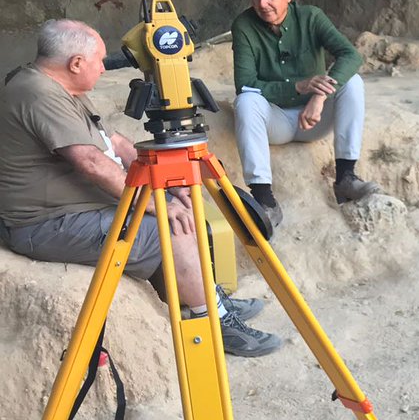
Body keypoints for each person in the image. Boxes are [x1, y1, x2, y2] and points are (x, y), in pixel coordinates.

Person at [0, 20, 282, 358]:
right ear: (75, 63)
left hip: (72, 210)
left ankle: (210, 297)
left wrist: (163, 182)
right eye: (99, 61)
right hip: (44, 223)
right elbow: (90, 162)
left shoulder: (61, 89)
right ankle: (213, 321)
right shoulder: (40, 94)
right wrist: (151, 203)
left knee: (177, 207)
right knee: (169, 226)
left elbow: (112, 142)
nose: (104, 69)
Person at [231, 0, 379, 228]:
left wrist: (319, 96)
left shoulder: (311, 16)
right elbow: (245, 83)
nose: (262, 4)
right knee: (245, 101)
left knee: (353, 82)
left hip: (315, 118)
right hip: (275, 121)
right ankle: (265, 201)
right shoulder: (243, 25)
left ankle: (345, 178)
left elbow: (350, 55)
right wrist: (296, 86)